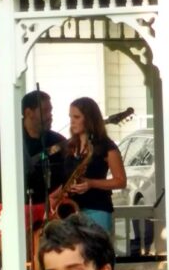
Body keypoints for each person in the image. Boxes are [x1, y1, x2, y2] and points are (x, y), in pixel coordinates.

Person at [50, 96, 127, 232]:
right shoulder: (70, 147)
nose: (72, 122)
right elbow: (69, 179)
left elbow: (120, 181)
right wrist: (55, 196)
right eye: (70, 117)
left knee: (95, 251)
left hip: (97, 210)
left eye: (77, 117)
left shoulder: (107, 146)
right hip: (72, 211)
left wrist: (91, 183)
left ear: (89, 119)